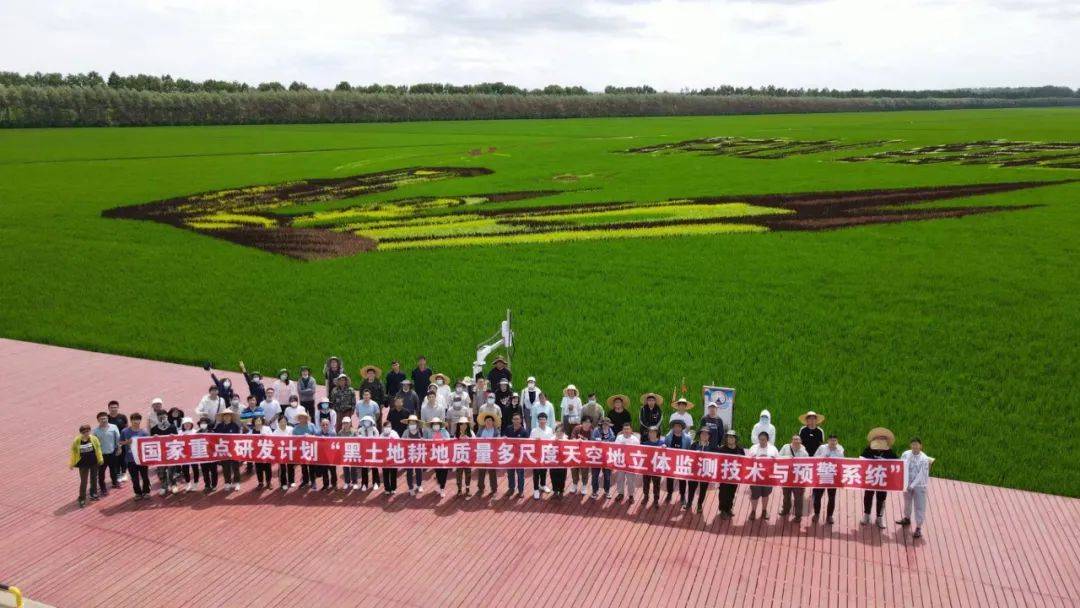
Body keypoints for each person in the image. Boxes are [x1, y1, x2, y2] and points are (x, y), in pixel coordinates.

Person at [861, 427, 898, 529]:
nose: (880, 440)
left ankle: (879, 517)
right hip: (871, 478)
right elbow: (861, 460)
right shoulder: (869, 449)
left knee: (881, 498)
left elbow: (897, 463)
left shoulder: (890, 452)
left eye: (883, 438)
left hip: (883, 480)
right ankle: (867, 515)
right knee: (868, 496)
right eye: (878, 438)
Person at [897, 437, 934, 538]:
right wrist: (903, 482)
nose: (915, 446)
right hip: (907, 484)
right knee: (907, 502)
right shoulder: (905, 454)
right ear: (910, 445)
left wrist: (912, 485)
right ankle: (907, 518)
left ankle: (918, 527)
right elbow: (901, 466)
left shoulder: (925, 459)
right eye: (913, 444)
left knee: (919, 506)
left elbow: (922, 474)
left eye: (917, 444)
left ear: (921, 446)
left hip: (919, 486)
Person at [812, 433, 844, 524]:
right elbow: (814, 458)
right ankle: (816, 513)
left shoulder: (840, 450)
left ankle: (829, 516)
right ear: (828, 441)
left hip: (833, 477)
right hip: (821, 475)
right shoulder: (822, 448)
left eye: (835, 441)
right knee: (818, 496)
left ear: (837, 441)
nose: (833, 442)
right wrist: (823, 458)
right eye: (831, 440)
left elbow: (842, 462)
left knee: (832, 497)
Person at [747, 431, 779, 520]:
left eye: (764, 440)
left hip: (768, 477)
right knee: (754, 495)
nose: (762, 441)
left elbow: (779, 461)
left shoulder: (773, 449)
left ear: (767, 440)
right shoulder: (753, 448)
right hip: (755, 477)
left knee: (766, 495)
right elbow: (747, 461)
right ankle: (753, 511)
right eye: (760, 439)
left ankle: (764, 511)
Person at [71, 424, 104, 507]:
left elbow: (98, 449)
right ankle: (82, 498)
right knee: (84, 481)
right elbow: (74, 452)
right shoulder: (77, 441)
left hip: (94, 462)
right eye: (84, 432)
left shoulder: (94, 439)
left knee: (94, 478)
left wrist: (100, 459)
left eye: (87, 431)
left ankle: (93, 493)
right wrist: (72, 463)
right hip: (83, 464)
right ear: (81, 432)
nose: (86, 433)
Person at [120, 413, 151, 500]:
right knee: (134, 478)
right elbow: (120, 442)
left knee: (145, 476)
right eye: (134, 419)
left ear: (140, 421)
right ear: (131, 420)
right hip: (131, 459)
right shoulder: (125, 431)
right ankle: (138, 493)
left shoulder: (144, 432)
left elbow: (149, 444)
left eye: (138, 419)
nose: (136, 421)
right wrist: (127, 442)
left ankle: (146, 492)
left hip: (142, 459)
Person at [779, 435, 809, 521]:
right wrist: (787, 458)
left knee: (798, 498)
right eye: (794, 439)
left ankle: (798, 515)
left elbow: (807, 465)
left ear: (801, 441)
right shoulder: (785, 447)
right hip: (787, 477)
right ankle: (785, 510)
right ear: (791, 440)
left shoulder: (804, 453)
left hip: (798, 479)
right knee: (786, 495)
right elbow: (778, 456)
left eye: (798, 439)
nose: (796, 441)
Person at [685, 427, 715, 513]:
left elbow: (716, 458)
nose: (704, 435)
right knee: (691, 488)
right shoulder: (694, 445)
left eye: (706, 434)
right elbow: (689, 456)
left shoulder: (712, 447)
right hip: (694, 470)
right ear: (699, 435)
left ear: (709, 436)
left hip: (705, 472)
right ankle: (689, 502)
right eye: (702, 433)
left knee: (703, 489)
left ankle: (699, 505)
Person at [92, 411, 122, 495]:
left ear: (107, 418)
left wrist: (119, 448)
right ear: (98, 420)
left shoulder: (113, 427)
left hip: (112, 453)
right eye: (101, 419)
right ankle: (103, 488)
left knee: (113, 469)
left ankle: (115, 483)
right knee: (101, 473)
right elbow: (94, 444)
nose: (104, 420)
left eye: (105, 418)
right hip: (101, 455)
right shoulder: (95, 431)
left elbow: (118, 438)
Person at [716, 430, 744, 518]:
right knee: (723, 493)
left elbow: (743, 461)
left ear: (735, 439)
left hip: (734, 475)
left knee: (732, 493)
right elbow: (717, 461)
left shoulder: (740, 449)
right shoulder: (721, 449)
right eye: (728, 437)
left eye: (732, 437)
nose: (730, 439)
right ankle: (723, 510)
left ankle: (729, 509)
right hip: (724, 475)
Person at [664, 420, 692, 505]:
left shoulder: (687, 438)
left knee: (682, 479)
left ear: (682, 428)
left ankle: (682, 495)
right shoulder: (668, 436)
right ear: (673, 427)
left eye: (679, 426)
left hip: (682, 461)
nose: (677, 428)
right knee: (669, 478)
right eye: (675, 426)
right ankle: (669, 493)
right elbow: (666, 446)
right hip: (671, 460)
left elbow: (688, 449)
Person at [151, 411, 179, 496]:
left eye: (164, 416)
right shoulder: (154, 429)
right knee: (161, 471)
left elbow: (178, 440)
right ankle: (164, 486)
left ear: (167, 416)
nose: (162, 418)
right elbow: (151, 442)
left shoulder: (172, 427)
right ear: (157, 418)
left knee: (172, 471)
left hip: (170, 452)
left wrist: (174, 437)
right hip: (160, 454)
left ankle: (173, 485)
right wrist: (153, 438)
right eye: (160, 417)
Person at [529, 412, 555, 499]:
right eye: (540, 419)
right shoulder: (534, 430)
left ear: (546, 420)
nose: (542, 421)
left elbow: (552, 440)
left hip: (546, 454)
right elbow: (529, 442)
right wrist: (534, 441)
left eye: (544, 419)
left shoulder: (550, 430)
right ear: (538, 420)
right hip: (536, 455)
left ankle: (543, 485)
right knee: (536, 472)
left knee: (544, 471)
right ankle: (536, 489)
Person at [214, 410, 242, 492]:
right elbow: (214, 437)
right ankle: (227, 483)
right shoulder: (219, 426)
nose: (226, 417)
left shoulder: (235, 426)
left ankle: (237, 482)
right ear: (222, 417)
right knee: (225, 467)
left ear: (231, 417)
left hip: (233, 450)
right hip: (223, 450)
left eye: (228, 415)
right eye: (225, 415)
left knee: (235, 467)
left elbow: (239, 438)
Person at [424, 417, 451, 497]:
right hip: (435, 456)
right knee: (438, 472)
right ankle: (439, 484)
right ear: (432, 425)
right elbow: (427, 443)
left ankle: (442, 487)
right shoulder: (430, 433)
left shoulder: (444, 431)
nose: (436, 425)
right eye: (434, 424)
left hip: (444, 455)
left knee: (444, 472)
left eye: (437, 424)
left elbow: (449, 441)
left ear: (440, 425)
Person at [613, 422, 640, 503]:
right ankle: (620, 493)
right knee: (620, 479)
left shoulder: (635, 439)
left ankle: (631, 495)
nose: (626, 430)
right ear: (622, 430)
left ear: (631, 430)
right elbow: (615, 449)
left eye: (628, 429)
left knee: (631, 480)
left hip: (630, 464)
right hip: (621, 462)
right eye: (625, 429)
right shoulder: (619, 438)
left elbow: (638, 452)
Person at [591, 417, 617, 499]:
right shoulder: (596, 430)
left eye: (607, 425)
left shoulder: (610, 431)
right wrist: (596, 440)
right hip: (597, 456)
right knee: (595, 475)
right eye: (604, 424)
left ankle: (607, 491)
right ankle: (594, 491)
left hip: (606, 456)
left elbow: (613, 440)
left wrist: (607, 442)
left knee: (607, 475)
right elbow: (591, 440)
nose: (606, 426)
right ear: (601, 424)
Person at [503, 414, 528, 498]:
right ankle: (511, 489)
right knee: (510, 473)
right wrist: (504, 438)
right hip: (510, 455)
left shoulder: (524, 432)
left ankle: (521, 491)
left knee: (520, 474)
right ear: (512, 420)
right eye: (514, 419)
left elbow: (527, 445)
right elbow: (504, 439)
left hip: (519, 457)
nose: (516, 421)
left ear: (521, 420)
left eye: (518, 419)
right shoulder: (508, 428)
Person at [292, 411, 318, 490]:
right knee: (303, 467)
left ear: (306, 418)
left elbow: (317, 435)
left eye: (304, 417)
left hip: (311, 448)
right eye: (300, 417)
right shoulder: (296, 429)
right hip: (301, 450)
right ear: (299, 419)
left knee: (311, 466)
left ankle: (313, 481)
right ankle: (305, 481)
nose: (302, 419)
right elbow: (294, 439)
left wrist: (310, 436)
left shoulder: (312, 425)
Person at [568, 417, 594, 494]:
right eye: (585, 422)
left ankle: (584, 485)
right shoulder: (577, 428)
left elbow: (593, 443)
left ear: (591, 424)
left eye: (589, 422)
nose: (587, 424)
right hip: (575, 453)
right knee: (574, 469)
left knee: (585, 470)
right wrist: (576, 440)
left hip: (585, 454)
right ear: (581, 423)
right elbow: (572, 438)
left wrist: (585, 442)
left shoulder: (592, 431)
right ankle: (575, 484)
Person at [475, 414, 499, 495]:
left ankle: (494, 489)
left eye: (490, 420)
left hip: (491, 454)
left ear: (493, 422)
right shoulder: (481, 430)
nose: (488, 422)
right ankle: (480, 488)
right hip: (482, 453)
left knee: (492, 472)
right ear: (484, 422)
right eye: (487, 420)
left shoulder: (496, 431)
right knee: (481, 471)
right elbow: (476, 439)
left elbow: (498, 442)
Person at [640, 426, 664, 507]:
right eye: (650, 432)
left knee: (656, 485)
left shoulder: (662, 443)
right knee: (646, 483)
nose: (652, 434)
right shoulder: (645, 444)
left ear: (657, 433)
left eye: (654, 432)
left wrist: (665, 448)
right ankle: (646, 496)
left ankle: (656, 499)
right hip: (647, 467)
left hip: (657, 468)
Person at [401, 415, 425, 496]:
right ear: (408, 424)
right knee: (409, 471)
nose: (412, 424)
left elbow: (425, 442)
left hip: (418, 454)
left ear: (417, 423)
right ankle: (410, 487)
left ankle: (419, 485)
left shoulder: (420, 431)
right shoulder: (406, 432)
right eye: (410, 423)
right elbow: (401, 442)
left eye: (414, 422)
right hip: (409, 454)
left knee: (419, 470)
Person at [106, 400, 130, 481]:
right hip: (111, 442)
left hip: (122, 441)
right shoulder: (107, 418)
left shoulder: (122, 417)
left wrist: (127, 440)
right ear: (108, 408)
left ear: (118, 408)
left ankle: (124, 473)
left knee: (123, 458)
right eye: (111, 407)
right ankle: (118, 474)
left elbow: (127, 428)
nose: (113, 409)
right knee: (115, 459)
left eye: (115, 407)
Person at [357, 415, 380, 491]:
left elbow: (378, 439)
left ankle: (376, 482)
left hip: (372, 450)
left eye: (368, 421)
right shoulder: (360, 429)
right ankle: (364, 483)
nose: (367, 422)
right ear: (363, 422)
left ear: (371, 422)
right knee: (364, 467)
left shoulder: (374, 429)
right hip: (363, 451)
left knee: (374, 467)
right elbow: (358, 439)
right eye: (365, 421)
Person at [271, 415, 295, 490]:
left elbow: (295, 439)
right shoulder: (276, 432)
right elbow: (273, 442)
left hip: (289, 451)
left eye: (284, 421)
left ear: (287, 422)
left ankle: (291, 481)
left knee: (291, 467)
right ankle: (283, 483)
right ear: (278, 423)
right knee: (282, 468)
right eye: (281, 422)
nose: (283, 423)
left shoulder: (291, 429)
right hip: (280, 452)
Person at [177, 417, 200, 492]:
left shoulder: (195, 432)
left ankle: (195, 483)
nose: (187, 425)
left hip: (193, 454)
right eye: (185, 424)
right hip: (184, 454)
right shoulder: (180, 432)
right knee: (185, 469)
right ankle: (188, 483)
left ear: (191, 425)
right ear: (183, 425)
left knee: (195, 469)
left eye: (189, 424)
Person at [196, 416, 219, 493]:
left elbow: (216, 443)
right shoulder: (197, 433)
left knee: (213, 471)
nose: (203, 424)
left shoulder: (212, 432)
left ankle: (214, 485)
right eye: (201, 423)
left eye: (204, 423)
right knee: (205, 471)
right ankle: (207, 485)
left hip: (212, 455)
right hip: (203, 455)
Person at [452, 417, 474, 496]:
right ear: (459, 425)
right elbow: (453, 444)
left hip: (467, 456)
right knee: (459, 473)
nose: (463, 426)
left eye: (465, 424)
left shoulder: (471, 433)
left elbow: (474, 443)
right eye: (461, 424)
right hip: (459, 457)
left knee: (468, 473)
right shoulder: (456, 434)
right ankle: (459, 489)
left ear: (467, 425)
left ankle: (467, 488)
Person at [250, 416, 274, 490]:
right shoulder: (251, 431)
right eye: (256, 421)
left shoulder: (267, 428)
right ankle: (260, 482)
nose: (258, 422)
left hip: (266, 451)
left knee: (268, 468)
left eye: (259, 420)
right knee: (258, 468)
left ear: (262, 421)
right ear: (254, 422)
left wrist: (266, 436)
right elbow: (249, 441)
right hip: (257, 453)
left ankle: (269, 482)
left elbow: (273, 437)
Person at [316, 417, 339, 491]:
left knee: (333, 471)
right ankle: (325, 485)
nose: (325, 426)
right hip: (322, 456)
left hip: (331, 456)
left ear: (329, 425)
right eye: (323, 425)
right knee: (324, 471)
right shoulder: (318, 434)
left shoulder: (333, 433)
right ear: (320, 425)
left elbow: (336, 444)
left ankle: (334, 484)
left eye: (326, 424)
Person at [339, 417, 360, 490]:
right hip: (344, 453)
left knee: (353, 468)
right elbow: (338, 442)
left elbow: (358, 441)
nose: (345, 424)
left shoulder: (354, 432)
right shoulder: (340, 432)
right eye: (344, 423)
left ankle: (355, 482)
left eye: (347, 423)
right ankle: (347, 482)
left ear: (350, 423)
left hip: (353, 452)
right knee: (345, 468)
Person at [380, 421, 400, 496]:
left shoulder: (394, 433)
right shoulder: (381, 435)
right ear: (383, 428)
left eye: (389, 426)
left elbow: (399, 443)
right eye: (386, 427)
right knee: (385, 474)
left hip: (393, 457)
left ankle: (393, 488)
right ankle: (387, 489)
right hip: (385, 458)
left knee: (393, 474)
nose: (387, 428)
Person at [550, 425, 569, 498]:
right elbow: (547, 449)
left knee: (562, 477)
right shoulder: (551, 439)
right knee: (553, 476)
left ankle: (561, 491)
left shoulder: (566, 440)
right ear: (555, 432)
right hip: (553, 461)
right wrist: (554, 443)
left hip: (562, 463)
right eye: (557, 431)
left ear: (563, 433)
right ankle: (555, 491)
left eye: (560, 431)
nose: (559, 433)